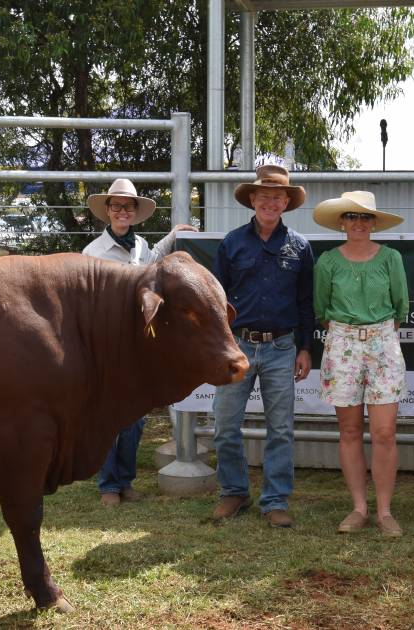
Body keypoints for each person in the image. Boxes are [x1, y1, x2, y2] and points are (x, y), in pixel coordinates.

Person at [81, 178, 197, 507]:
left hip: (137, 346)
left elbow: (154, 262)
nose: (122, 212)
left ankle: (126, 481)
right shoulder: (93, 253)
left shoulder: (141, 247)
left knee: (134, 419)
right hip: (106, 345)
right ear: (107, 211)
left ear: (134, 212)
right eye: (116, 206)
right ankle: (107, 485)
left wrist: (175, 235)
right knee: (107, 418)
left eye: (128, 207)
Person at [211, 164, 315, 528]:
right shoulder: (231, 244)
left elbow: (306, 304)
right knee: (224, 425)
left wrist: (304, 348)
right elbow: (216, 300)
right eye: (264, 195)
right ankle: (234, 492)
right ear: (252, 199)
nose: (270, 202)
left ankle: (275, 500)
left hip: (282, 347)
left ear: (286, 202)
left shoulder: (301, 248)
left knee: (281, 428)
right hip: (238, 345)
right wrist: (221, 345)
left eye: (278, 196)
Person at [312, 191, 408, 536]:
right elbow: (321, 310)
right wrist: (349, 335)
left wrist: (375, 335)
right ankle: (359, 508)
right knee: (350, 430)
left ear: (374, 222)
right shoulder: (327, 262)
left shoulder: (391, 258)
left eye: (365, 217)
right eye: (352, 217)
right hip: (341, 344)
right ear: (342, 222)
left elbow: (401, 307)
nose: (359, 223)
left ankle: (384, 511)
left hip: (383, 342)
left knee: (384, 432)